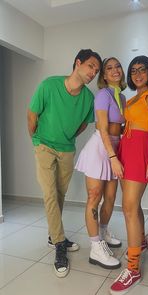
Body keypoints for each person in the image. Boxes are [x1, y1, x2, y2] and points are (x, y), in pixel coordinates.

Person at [27, 49, 102, 278]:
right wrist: (37, 141)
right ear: (78, 63)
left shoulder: (89, 98)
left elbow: (84, 124)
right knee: (49, 193)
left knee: (60, 193)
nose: (93, 73)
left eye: (96, 70)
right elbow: (32, 115)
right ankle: (59, 245)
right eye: (91, 66)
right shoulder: (49, 85)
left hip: (67, 149)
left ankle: (53, 235)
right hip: (44, 146)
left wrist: (69, 137)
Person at [110, 56, 148, 294]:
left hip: (140, 150)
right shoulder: (133, 97)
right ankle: (140, 242)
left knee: (128, 207)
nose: (137, 73)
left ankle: (133, 268)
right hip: (127, 148)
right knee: (132, 207)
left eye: (142, 69)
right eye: (133, 70)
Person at [75, 57, 126, 270]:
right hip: (100, 149)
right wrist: (113, 158)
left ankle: (103, 231)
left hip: (115, 147)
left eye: (117, 66)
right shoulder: (103, 95)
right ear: (104, 75)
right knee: (94, 197)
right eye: (109, 68)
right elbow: (103, 128)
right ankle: (96, 247)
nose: (114, 70)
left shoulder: (122, 97)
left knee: (111, 197)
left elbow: (121, 129)